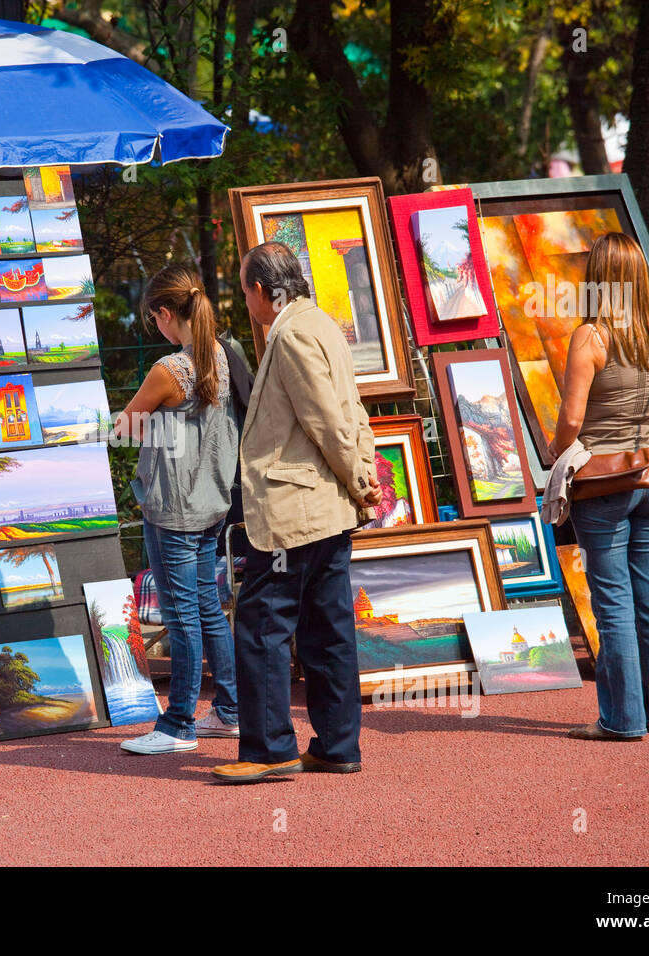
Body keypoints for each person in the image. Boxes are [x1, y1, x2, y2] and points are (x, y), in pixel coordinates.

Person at [211, 242, 382, 784]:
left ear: (262, 290)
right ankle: (336, 745)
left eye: (245, 291)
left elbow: (327, 420)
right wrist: (364, 474)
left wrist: (359, 478)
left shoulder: (289, 335)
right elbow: (350, 410)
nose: (246, 301)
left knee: (262, 626)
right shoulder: (324, 324)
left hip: (295, 512)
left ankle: (269, 751)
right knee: (327, 628)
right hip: (326, 508)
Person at [547, 231, 649, 741]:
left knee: (612, 601)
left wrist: (559, 454)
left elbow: (571, 419)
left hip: (605, 481)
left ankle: (622, 720)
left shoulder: (590, 336)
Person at [114, 264, 241, 755]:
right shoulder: (224, 356)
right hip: (211, 503)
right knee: (208, 608)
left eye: (155, 320)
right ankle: (228, 710)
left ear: (165, 313)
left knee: (182, 615)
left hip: (173, 509)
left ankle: (178, 723)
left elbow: (125, 427)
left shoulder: (170, 370)